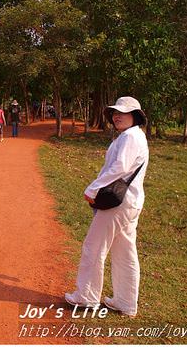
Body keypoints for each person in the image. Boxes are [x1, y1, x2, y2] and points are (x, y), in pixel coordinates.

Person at [65, 96, 149, 317]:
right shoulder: (135, 136)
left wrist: (93, 188)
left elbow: (120, 167)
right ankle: (125, 302)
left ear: (135, 116)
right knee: (125, 253)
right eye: (114, 112)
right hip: (130, 202)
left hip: (118, 205)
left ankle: (86, 297)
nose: (117, 115)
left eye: (123, 112)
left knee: (94, 247)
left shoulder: (130, 137)